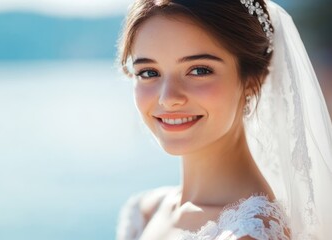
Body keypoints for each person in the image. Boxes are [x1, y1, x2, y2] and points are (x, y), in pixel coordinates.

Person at [115, 0, 332, 239]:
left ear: (251, 80)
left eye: (199, 70)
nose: (168, 99)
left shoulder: (250, 233)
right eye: (149, 72)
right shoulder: (145, 212)